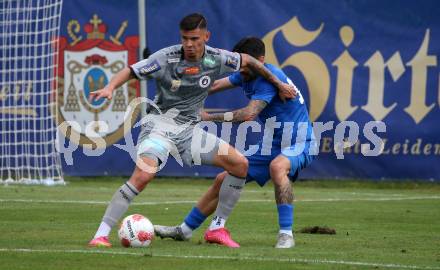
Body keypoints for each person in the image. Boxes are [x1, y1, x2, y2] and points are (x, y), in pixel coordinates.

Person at [88, 15, 296, 248]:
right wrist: (109, 87)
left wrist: (278, 84)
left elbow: (248, 60)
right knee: (144, 175)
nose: (189, 44)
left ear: (206, 37)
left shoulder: (217, 58)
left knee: (239, 165)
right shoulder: (165, 58)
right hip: (160, 126)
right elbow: (131, 71)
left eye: (194, 38)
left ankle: (217, 229)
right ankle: (101, 235)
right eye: (185, 38)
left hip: (189, 130)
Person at [154, 37, 316, 248]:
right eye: (241, 64)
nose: (242, 69)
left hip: (301, 140)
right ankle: (184, 230)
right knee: (224, 178)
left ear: (260, 60)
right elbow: (215, 85)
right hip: (274, 142)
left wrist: (206, 117)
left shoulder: (267, 79)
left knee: (278, 167)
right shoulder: (246, 73)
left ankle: (286, 235)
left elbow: (248, 114)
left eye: (247, 65)